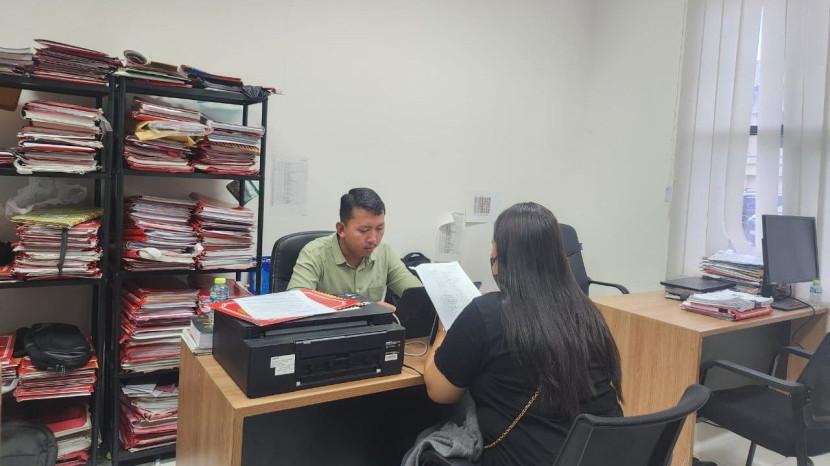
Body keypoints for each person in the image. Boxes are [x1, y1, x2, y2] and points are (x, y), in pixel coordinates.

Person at [423, 202, 623, 465]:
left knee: (424, 445)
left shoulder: (487, 313)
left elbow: (439, 391)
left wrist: (442, 333)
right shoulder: (587, 313)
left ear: (500, 253)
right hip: (604, 456)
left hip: (526, 458)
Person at [287, 187, 421, 303]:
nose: (373, 239)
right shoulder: (314, 253)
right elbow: (295, 303)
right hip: (328, 326)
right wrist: (368, 306)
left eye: (380, 228)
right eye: (364, 230)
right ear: (341, 229)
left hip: (371, 326)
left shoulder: (384, 252)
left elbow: (418, 294)